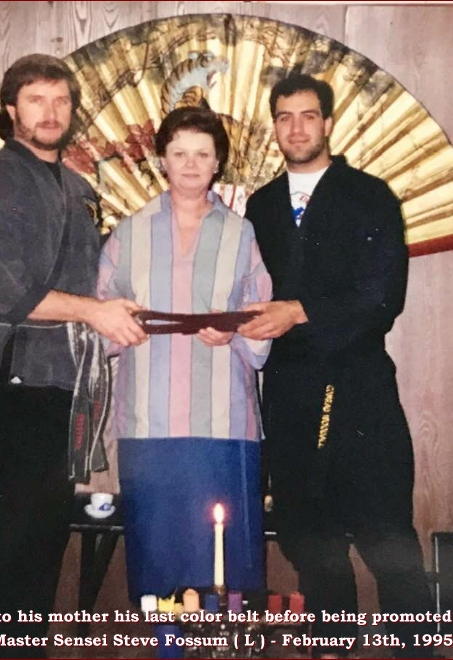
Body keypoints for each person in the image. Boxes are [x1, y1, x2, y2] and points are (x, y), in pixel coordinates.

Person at [0, 54, 146, 658]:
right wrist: (93, 312)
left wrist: (122, 312)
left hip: (63, 384)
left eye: (61, 100)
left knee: (41, 544)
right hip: (9, 381)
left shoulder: (80, 189)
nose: (51, 112)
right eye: (36, 100)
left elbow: (94, 284)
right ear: (12, 109)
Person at [238, 73, 435, 658]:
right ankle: (331, 645)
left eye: (308, 115)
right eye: (284, 117)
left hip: (357, 380)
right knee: (307, 532)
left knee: (385, 529)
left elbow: (383, 295)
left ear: (327, 122)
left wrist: (299, 310)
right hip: (290, 386)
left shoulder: (369, 195)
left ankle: (416, 649)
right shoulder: (261, 205)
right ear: (274, 126)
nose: (296, 128)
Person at [97, 106, 272, 604]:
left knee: (226, 562)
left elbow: (261, 318)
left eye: (202, 154)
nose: (191, 164)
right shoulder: (128, 232)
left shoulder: (241, 233)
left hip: (224, 421)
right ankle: (166, 641)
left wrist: (234, 333)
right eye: (179, 153)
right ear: (162, 161)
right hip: (149, 421)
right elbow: (101, 316)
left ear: (218, 162)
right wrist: (121, 326)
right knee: (159, 558)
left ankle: (225, 642)